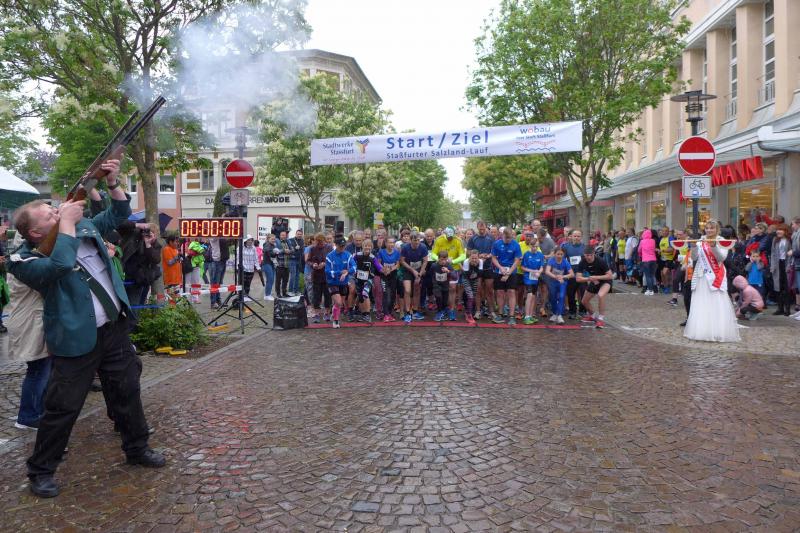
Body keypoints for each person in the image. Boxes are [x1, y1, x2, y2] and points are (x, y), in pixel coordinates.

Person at [9, 159, 164, 498]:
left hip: (112, 328)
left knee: (127, 392)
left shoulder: (83, 227)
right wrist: (65, 222)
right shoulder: (23, 260)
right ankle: (41, 471)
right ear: (35, 233)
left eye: (55, 210)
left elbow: (119, 213)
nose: (57, 213)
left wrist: (112, 182)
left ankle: (137, 448)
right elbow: (61, 264)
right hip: (75, 339)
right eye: (49, 215)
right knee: (62, 407)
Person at [5, 232, 51, 431]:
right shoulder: (25, 262)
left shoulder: (20, 258)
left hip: (29, 319)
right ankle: (28, 416)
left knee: (40, 369)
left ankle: (35, 411)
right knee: (38, 370)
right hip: (30, 322)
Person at [684, 220, 740, 342]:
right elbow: (694, 257)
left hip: (716, 276)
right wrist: (693, 246)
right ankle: (702, 331)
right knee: (701, 303)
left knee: (716, 302)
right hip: (701, 276)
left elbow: (721, 257)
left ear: (717, 229)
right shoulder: (701, 240)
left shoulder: (721, 240)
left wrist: (714, 246)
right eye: (707, 228)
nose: (709, 230)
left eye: (712, 228)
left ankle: (717, 331)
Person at [431, 226, 466, 320]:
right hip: (441, 268)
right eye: (448, 237)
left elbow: (463, 255)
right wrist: (440, 260)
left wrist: (453, 261)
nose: (450, 238)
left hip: (453, 268)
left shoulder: (458, 240)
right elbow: (433, 254)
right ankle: (443, 308)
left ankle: (451, 310)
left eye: (451, 236)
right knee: (443, 290)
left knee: (452, 289)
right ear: (445, 234)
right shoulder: (439, 240)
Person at [491, 227, 522, 326]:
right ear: (502, 235)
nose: (508, 240)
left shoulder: (516, 245)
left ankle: (512, 316)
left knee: (511, 292)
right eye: (506, 238)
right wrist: (500, 268)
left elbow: (517, 260)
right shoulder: (496, 244)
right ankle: (500, 314)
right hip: (499, 271)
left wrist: (509, 272)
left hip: (511, 271)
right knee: (500, 292)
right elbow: (493, 258)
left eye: (509, 238)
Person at [575, 247, 613, 329]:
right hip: (594, 280)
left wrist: (596, 277)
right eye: (587, 255)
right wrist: (589, 279)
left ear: (594, 254)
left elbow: (610, 276)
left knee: (601, 295)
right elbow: (578, 278)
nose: (589, 257)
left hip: (605, 281)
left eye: (590, 255)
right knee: (584, 301)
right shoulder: (582, 262)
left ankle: (601, 319)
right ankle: (592, 316)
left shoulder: (600, 261)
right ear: (584, 255)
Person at [325, 236, 356, 329]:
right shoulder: (330, 256)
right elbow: (327, 271)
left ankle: (334, 313)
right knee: (338, 302)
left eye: (344, 246)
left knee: (340, 303)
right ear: (336, 245)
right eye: (340, 246)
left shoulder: (348, 255)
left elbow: (354, 267)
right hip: (332, 282)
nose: (342, 248)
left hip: (343, 283)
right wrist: (340, 273)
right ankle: (336, 321)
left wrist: (347, 272)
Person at [467, 221, 494, 319]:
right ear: (477, 227)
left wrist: (488, 256)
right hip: (476, 267)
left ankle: (491, 311)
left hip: (488, 267)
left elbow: (494, 251)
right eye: (480, 229)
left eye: (483, 229)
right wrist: (478, 257)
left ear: (486, 227)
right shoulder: (473, 238)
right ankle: (478, 311)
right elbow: (468, 252)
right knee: (477, 289)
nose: (482, 230)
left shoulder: (491, 237)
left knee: (489, 290)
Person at [399, 232, 428, 323]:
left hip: (419, 270)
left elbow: (425, 261)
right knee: (407, 290)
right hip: (408, 270)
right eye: (415, 240)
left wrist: (420, 273)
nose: (417, 242)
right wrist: (412, 270)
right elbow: (402, 261)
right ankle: (408, 312)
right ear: (410, 240)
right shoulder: (405, 247)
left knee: (417, 289)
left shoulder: (423, 247)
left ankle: (415, 311)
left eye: (418, 240)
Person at [307, 233, 333, 322]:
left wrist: (325, 263)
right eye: (318, 242)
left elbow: (332, 260)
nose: (319, 244)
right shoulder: (312, 248)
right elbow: (308, 260)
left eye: (321, 242)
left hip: (327, 275)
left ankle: (327, 313)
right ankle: (316, 314)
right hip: (316, 275)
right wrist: (313, 264)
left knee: (327, 295)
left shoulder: (329, 247)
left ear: (324, 241)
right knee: (316, 295)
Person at [544, 248, 573, 324]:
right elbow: (547, 271)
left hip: (562, 282)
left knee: (561, 296)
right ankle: (554, 313)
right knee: (552, 297)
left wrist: (563, 276)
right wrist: (555, 277)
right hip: (553, 281)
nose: (559, 256)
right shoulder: (551, 260)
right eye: (558, 254)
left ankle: (559, 315)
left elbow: (572, 274)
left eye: (561, 254)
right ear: (554, 254)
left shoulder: (565, 262)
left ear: (563, 254)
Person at [520, 236, 545, 325]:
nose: (535, 248)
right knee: (529, 295)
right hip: (528, 278)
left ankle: (530, 315)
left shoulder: (540, 255)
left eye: (536, 246)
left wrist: (539, 272)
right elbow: (522, 267)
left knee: (534, 296)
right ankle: (526, 316)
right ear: (530, 246)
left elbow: (541, 267)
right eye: (533, 246)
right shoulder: (526, 254)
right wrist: (532, 271)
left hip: (535, 279)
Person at [561, 229, 585, 319]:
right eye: (575, 236)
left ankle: (583, 311)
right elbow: (562, 260)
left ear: (581, 237)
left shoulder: (584, 247)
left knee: (583, 293)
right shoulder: (566, 247)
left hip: (582, 274)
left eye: (578, 236)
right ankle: (572, 311)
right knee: (571, 294)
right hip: (571, 274)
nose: (576, 238)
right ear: (571, 236)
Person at [353, 238, 378, 322]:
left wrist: (385, 270)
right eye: (365, 246)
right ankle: (360, 311)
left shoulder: (373, 257)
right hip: (359, 279)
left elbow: (378, 266)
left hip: (369, 279)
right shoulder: (357, 255)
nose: (367, 247)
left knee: (365, 293)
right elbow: (351, 263)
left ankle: (367, 314)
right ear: (362, 246)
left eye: (369, 246)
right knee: (360, 296)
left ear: (371, 247)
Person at [769, 224, 793, 316]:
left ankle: (787, 309)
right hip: (777, 265)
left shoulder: (789, 240)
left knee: (786, 287)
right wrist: (772, 266)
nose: (778, 231)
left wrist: (789, 266)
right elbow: (772, 253)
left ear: (785, 231)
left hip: (786, 264)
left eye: (780, 230)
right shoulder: (775, 239)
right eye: (777, 230)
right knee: (777, 287)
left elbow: (791, 253)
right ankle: (780, 308)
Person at [377, 236, 401, 322]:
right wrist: (384, 270)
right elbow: (378, 263)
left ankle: (389, 313)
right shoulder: (381, 252)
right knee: (385, 293)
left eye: (393, 242)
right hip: (384, 275)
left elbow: (398, 264)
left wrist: (390, 269)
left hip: (393, 275)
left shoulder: (397, 252)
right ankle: (386, 314)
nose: (391, 244)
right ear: (386, 243)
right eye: (390, 242)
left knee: (393, 294)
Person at [429, 250, 453, 322]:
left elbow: (455, 276)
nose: (443, 261)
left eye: (445, 259)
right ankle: (439, 312)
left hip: (445, 285)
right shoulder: (434, 265)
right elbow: (430, 273)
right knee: (438, 297)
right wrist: (433, 282)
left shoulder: (448, 266)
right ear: (438, 258)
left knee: (445, 301)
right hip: (436, 285)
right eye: (442, 259)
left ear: (447, 258)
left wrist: (448, 271)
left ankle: (443, 311)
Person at [206, 236, 230, 309]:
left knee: (219, 283)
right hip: (216, 261)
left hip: (223, 260)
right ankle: (213, 302)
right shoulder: (214, 236)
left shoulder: (222, 236)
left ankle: (218, 301)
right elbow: (213, 238)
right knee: (215, 283)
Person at [460, 249, 481, 324]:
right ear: (469, 257)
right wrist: (473, 266)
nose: (474, 260)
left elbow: (480, 273)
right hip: (466, 279)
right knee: (470, 296)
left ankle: (468, 311)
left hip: (475, 279)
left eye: (476, 258)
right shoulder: (466, 262)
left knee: (473, 296)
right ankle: (469, 315)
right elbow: (467, 275)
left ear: (478, 257)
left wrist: (476, 267)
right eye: (472, 258)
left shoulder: (480, 261)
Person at [638, 229, 658, 295]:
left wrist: (641, 255)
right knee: (652, 275)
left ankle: (650, 290)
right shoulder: (653, 241)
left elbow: (639, 250)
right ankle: (654, 289)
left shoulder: (642, 241)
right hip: (653, 260)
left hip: (646, 260)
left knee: (647, 276)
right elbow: (653, 249)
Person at [240, 235, 260, 300]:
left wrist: (258, 267)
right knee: (242, 283)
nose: (250, 241)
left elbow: (255, 258)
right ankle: (241, 296)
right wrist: (238, 266)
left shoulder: (254, 248)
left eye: (251, 240)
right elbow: (238, 257)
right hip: (243, 269)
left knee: (248, 283)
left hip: (251, 269)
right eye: (249, 240)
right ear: (245, 241)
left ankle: (246, 295)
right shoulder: (241, 247)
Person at [273, 231, 291, 298]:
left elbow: (292, 249)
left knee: (285, 280)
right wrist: (284, 251)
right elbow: (275, 251)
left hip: (287, 264)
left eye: (284, 235)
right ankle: (278, 293)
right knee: (278, 281)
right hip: (279, 265)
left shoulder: (288, 242)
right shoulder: (277, 242)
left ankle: (284, 293)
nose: (283, 236)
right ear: (280, 236)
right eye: (282, 235)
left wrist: (290, 251)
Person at [287, 228, 304, 296]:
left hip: (298, 260)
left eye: (300, 234)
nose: (299, 235)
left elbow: (302, 250)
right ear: (295, 234)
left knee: (297, 276)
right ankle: (290, 291)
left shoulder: (302, 241)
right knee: (293, 275)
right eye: (298, 234)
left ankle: (296, 291)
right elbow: (288, 249)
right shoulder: (291, 240)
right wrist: (294, 248)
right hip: (292, 259)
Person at [261, 234, 276, 301]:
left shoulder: (273, 245)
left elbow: (273, 255)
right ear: (268, 239)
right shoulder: (266, 244)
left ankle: (268, 294)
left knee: (271, 279)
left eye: (274, 239)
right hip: (266, 264)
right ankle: (267, 295)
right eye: (272, 239)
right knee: (270, 279)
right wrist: (274, 252)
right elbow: (267, 251)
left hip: (271, 263)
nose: (273, 240)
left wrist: (276, 252)